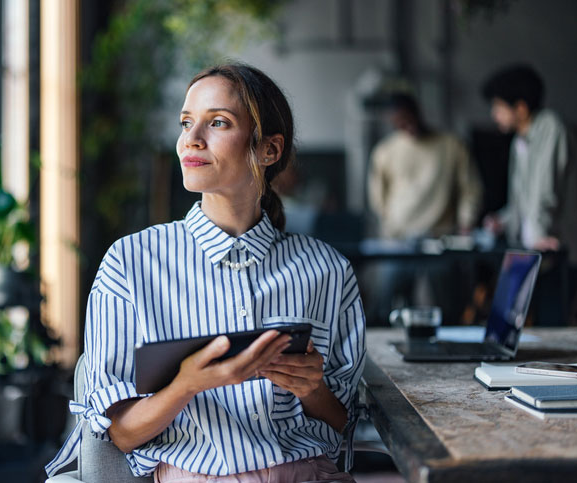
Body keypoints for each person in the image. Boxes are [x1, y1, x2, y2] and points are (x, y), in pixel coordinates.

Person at [46, 64, 366, 482]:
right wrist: (187, 385)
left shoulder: (327, 271)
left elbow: (345, 422)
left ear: (269, 150)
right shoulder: (129, 263)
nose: (191, 140)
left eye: (218, 122)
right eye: (185, 123)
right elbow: (119, 436)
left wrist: (312, 389)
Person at [481, 64, 577, 262]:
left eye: (498, 107)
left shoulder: (551, 128)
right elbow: (524, 199)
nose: (494, 115)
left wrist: (539, 237)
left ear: (521, 108)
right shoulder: (519, 141)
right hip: (531, 249)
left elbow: (546, 192)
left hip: (552, 248)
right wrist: (504, 220)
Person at [368, 93, 483, 239]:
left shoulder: (452, 146)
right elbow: (377, 197)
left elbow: (471, 188)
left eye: (409, 118)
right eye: (399, 123)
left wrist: (467, 220)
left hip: (440, 236)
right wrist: (391, 222)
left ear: (418, 112)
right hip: (398, 237)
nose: (408, 126)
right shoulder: (384, 151)